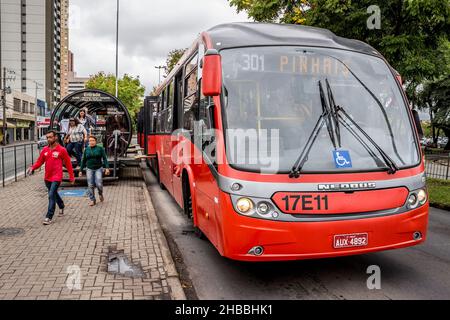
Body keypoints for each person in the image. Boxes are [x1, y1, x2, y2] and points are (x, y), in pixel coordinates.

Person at [28, 131, 75, 225]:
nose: (48, 139)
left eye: (50, 137)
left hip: (57, 177)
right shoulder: (45, 150)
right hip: (47, 177)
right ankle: (61, 205)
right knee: (54, 194)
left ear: (55, 137)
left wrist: (71, 177)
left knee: (51, 195)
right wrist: (32, 167)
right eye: (47, 137)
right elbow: (39, 162)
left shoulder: (62, 150)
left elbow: (68, 164)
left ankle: (49, 216)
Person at [79, 136, 110, 206]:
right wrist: (80, 170)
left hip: (98, 168)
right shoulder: (86, 149)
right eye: (90, 141)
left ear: (96, 141)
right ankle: (92, 200)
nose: (91, 142)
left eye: (93, 140)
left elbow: (105, 158)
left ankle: (100, 193)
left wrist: (107, 168)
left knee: (99, 183)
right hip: (89, 169)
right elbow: (83, 160)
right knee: (90, 185)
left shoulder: (100, 149)